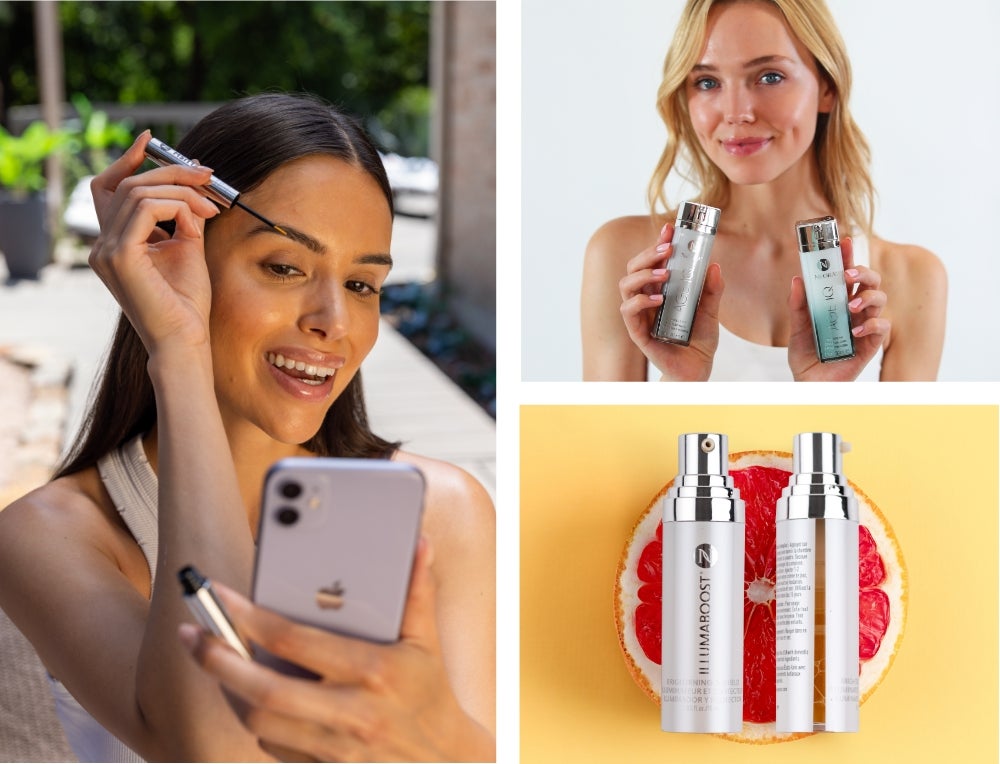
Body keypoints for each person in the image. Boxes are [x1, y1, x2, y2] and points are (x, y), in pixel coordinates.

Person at [0, 93, 495, 762]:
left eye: (362, 285)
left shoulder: (442, 516)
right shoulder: (54, 537)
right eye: (285, 268)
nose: (334, 323)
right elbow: (213, 744)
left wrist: (434, 734)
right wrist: (175, 348)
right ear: (178, 255)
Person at [581, 0, 946, 381]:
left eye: (769, 76)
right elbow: (604, 441)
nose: (736, 112)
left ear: (827, 87)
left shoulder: (910, 278)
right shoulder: (630, 260)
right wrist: (682, 381)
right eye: (707, 82)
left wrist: (822, 395)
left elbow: (900, 444)